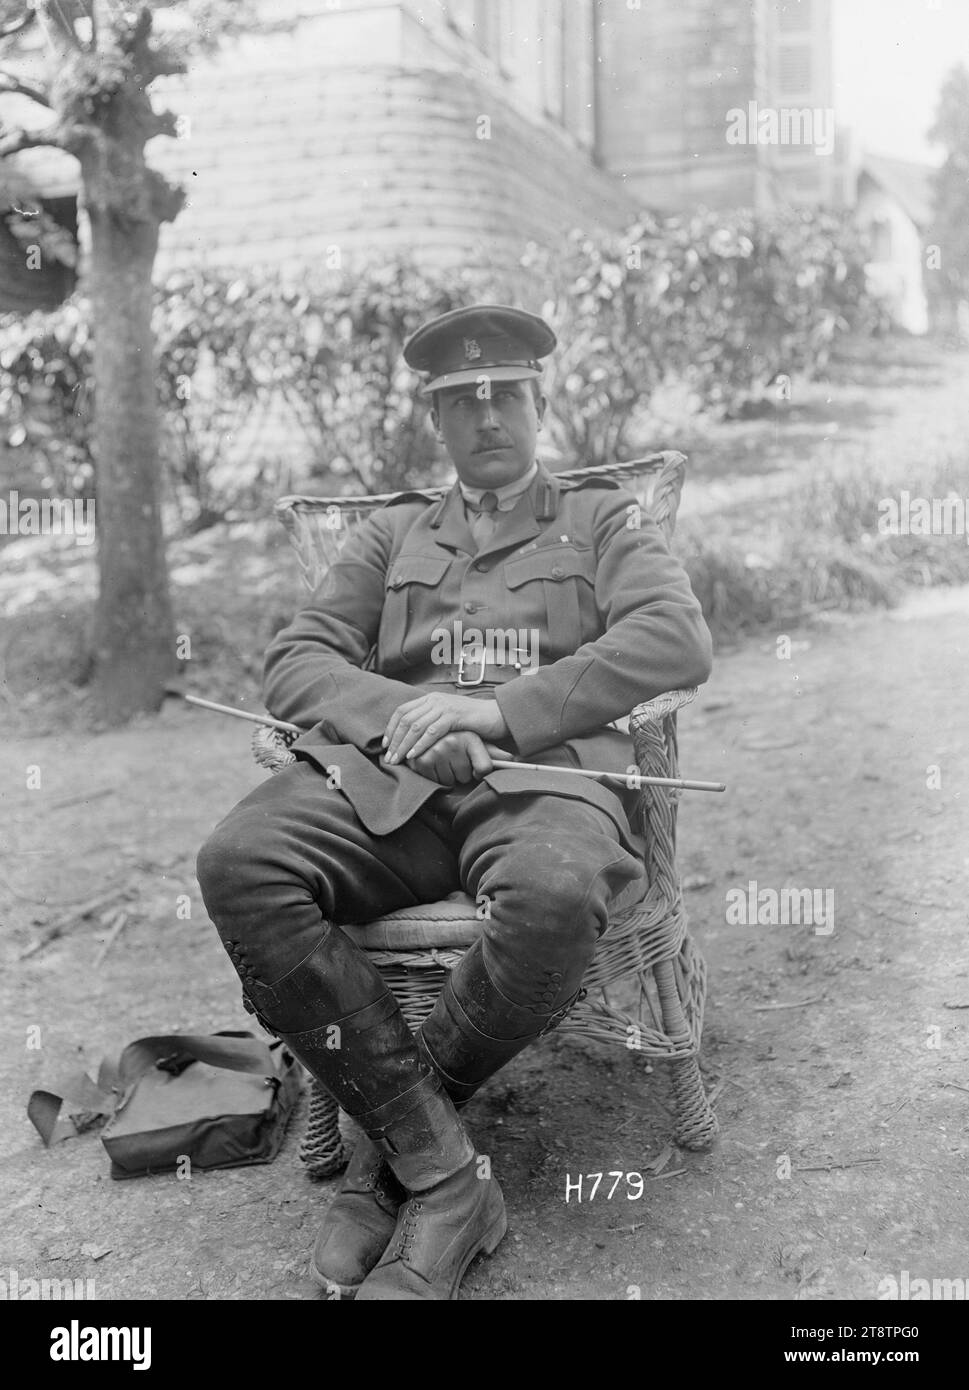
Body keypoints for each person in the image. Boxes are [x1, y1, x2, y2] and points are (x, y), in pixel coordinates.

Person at [196, 304, 713, 1301]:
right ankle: (443, 1170)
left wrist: (495, 711)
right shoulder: (392, 534)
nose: (487, 418)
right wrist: (411, 716)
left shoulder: (602, 519)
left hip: (541, 781)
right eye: (462, 404)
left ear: (539, 402)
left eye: (505, 396)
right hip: (387, 780)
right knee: (240, 862)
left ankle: (390, 1161)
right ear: (436, 423)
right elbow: (295, 661)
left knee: (558, 898)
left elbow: (673, 640)